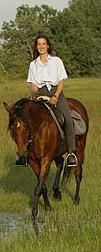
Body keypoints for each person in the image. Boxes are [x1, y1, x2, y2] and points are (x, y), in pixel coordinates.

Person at [15, 34, 77, 167]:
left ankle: (71, 152)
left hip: (56, 92)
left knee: (67, 118)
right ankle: (25, 153)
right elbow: (32, 83)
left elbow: (61, 81)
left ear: (48, 46)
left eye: (43, 44)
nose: (41, 46)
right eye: (39, 44)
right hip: (40, 93)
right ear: (36, 47)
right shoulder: (33, 64)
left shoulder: (56, 61)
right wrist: (34, 91)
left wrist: (55, 97)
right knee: (29, 121)